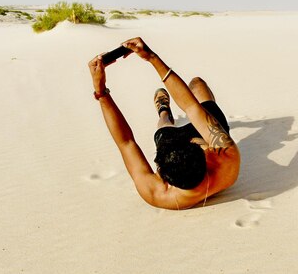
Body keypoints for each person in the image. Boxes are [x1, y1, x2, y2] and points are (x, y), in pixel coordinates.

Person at [87, 37, 240, 210]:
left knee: (164, 128)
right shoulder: (226, 158)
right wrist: (151, 57)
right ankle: (170, 114)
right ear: (205, 155)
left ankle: (164, 111)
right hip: (203, 142)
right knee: (197, 85)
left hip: (174, 141)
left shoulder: (159, 195)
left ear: (163, 176)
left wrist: (100, 91)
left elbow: (126, 143)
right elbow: (191, 106)